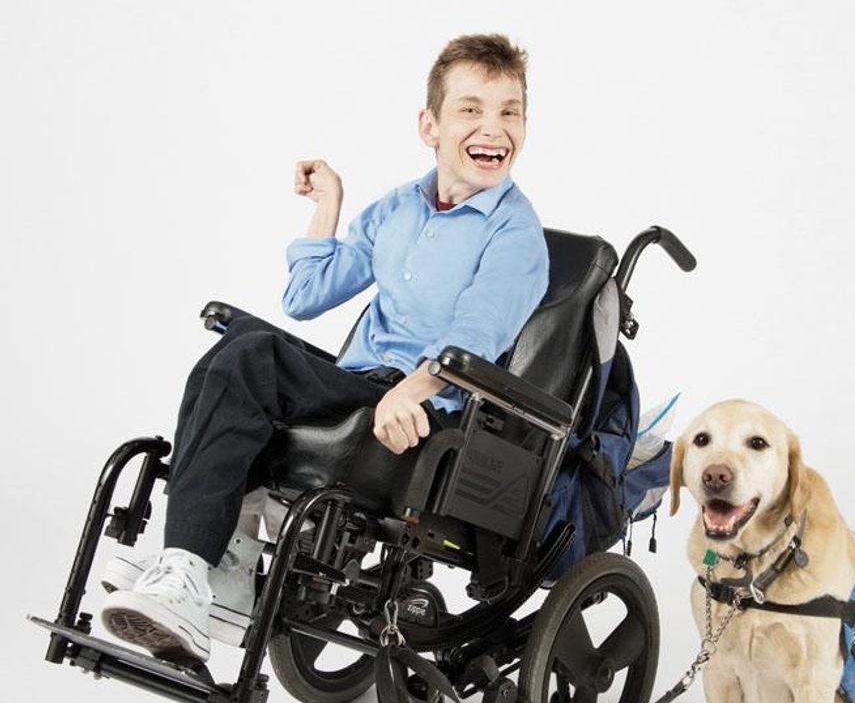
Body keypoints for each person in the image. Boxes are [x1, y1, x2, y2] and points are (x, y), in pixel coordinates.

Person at [100, 33, 550, 664]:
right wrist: (330, 204)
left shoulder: (515, 233)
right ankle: (214, 565)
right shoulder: (398, 208)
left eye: (510, 112)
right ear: (431, 125)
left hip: (417, 413)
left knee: (250, 359)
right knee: (237, 347)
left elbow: (475, 339)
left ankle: (188, 570)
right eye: (471, 109)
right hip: (359, 384)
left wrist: (414, 388)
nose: (493, 128)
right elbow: (306, 294)